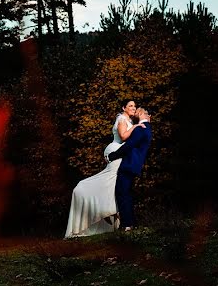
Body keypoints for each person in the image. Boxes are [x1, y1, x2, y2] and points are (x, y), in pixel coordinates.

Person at [64, 100, 146, 238]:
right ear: (123, 108)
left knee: (116, 186)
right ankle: (91, 199)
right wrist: (136, 126)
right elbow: (123, 136)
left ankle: (116, 216)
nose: (133, 108)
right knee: (112, 184)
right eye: (130, 106)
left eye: (134, 106)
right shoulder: (122, 118)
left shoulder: (129, 121)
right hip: (116, 151)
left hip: (121, 153)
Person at [109, 107, 152, 231]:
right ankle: (131, 223)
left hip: (129, 164)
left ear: (142, 114)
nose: (136, 113)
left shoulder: (140, 128)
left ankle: (126, 224)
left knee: (122, 193)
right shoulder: (147, 129)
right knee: (127, 193)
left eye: (138, 112)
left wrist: (112, 155)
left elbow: (129, 145)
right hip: (135, 165)